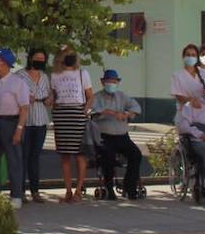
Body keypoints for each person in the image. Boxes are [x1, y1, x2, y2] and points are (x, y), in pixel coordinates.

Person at [0, 48, 30, 209]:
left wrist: (19, 129)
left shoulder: (18, 83)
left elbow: (24, 108)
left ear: (6, 64)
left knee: (14, 161)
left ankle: (16, 195)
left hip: (12, 123)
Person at [88, 70, 144, 200]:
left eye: (114, 82)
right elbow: (91, 112)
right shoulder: (97, 97)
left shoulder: (122, 96)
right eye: (109, 81)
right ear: (103, 82)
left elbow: (136, 107)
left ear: (118, 82)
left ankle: (129, 187)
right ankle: (108, 186)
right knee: (108, 156)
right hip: (104, 136)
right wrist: (108, 112)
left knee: (136, 154)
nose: (111, 84)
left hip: (122, 135)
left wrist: (127, 114)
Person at [50, 46, 92, 203]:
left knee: (80, 154)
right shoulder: (55, 75)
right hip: (61, 115)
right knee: (64, 155)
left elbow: (90, 96)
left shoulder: (82, 73)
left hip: (77, 114)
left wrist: (84, 111)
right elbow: (53, 96)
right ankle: (68, 190)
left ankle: (78, 190)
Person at [20, 47, 53, 203]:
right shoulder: (20, 75)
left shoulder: (45, 77)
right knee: (23, 156)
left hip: (40, 119)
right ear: (30, 58)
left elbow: (49, 95)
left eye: (42, 59)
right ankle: (20, 190)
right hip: (25, 121)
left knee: (35, 157)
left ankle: (35, 191)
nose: (39, 62)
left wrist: (49, 99)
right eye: (37, 59)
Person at [171, 42, 205, 109]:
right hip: (185, 111)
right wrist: (190, 101)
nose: (190, 57)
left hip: (203, 110)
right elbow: (178, 96)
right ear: (183, 57)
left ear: (197, 58)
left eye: (193, 55)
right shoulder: (177, 75)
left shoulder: (204, 73)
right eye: (188, 55)